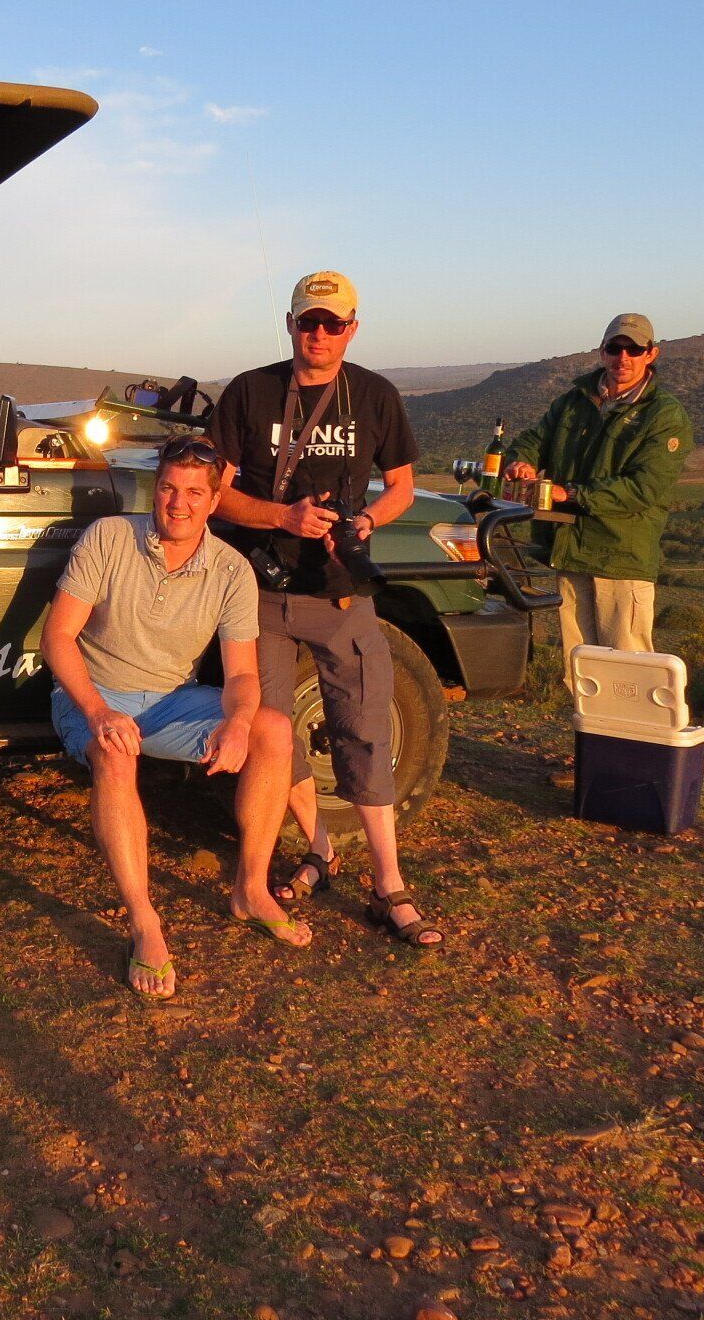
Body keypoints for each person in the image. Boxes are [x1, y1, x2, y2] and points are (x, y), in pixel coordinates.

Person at [209, 271, 443, 947]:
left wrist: (365, 519)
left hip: (342, 594)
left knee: (365, 733)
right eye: (307, 322)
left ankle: (389, 884)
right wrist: (283, 514)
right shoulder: (250, 392)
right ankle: (320, 852)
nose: (318, 334)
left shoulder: (374, 395)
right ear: (288, 324)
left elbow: (402, 485)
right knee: (272, 735)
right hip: (260, 592)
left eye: (332, 324)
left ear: (352, 329)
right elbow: (215, 493)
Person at [41, 435, 300, 998]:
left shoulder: (232, 571)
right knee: (113, 752)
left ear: (213, 501)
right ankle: (144, 923)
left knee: (273, 728)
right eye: (167, 488)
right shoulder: (110, 537)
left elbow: (241, 677)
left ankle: (250, 888)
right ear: (155, 489)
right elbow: (57, 637)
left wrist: (236, 722)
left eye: (193, 493)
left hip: (170, 699)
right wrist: (97, 710)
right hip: (93, 693)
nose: (177, 503)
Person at [504, 312, 694, 686]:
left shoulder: (664, 415)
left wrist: (571, 493)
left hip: (621, 556)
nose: (623, 357)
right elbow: (535, 438)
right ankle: (591, 744)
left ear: (651, 354)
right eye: (614, 348)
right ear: (602, 351)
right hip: (572, 551)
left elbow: (644, 488)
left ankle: (634, 745)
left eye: (634, 349)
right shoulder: (574, 401)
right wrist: (521, 460)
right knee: (581, 670)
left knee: (628, 670)